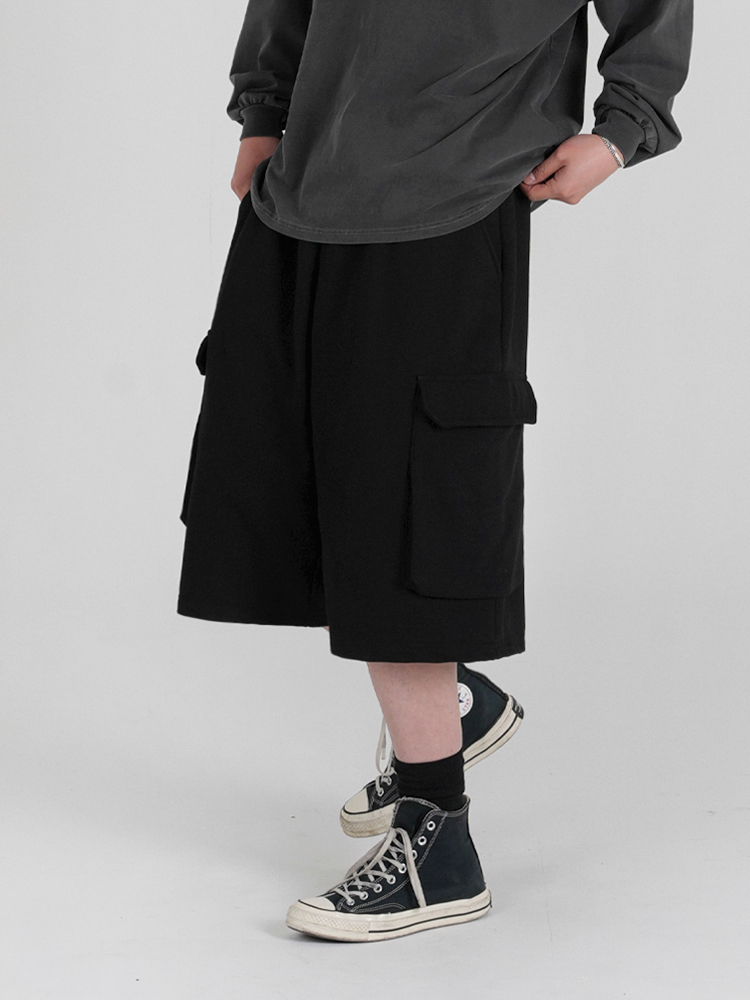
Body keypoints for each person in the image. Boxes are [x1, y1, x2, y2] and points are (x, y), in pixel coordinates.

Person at [177, 0, 693, 942]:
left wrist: (624, 127)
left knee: (407, 510)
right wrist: (264, 109)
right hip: (305, 182)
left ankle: (438, 843)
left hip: (454, 188)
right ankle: (455, 699)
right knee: (288, 479)